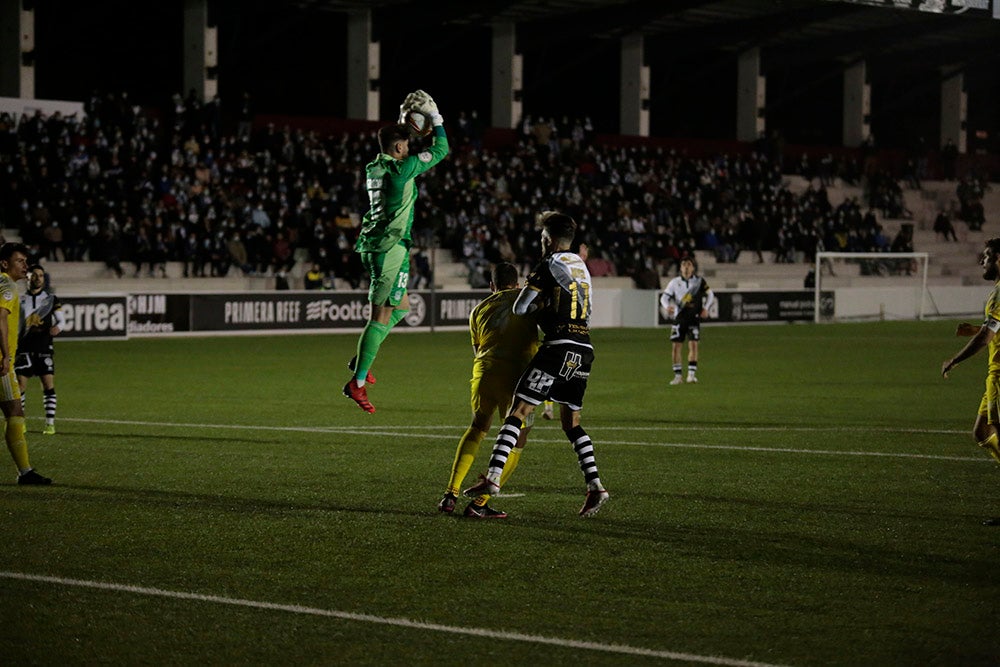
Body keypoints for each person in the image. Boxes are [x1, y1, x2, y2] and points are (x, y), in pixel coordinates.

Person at [463, 211, 610, 517]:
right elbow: (586, 309)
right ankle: (596, 487)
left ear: (549, 240)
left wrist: (541, 310)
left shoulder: (549, 264)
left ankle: (492, 479)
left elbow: (520, 307)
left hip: (557, 347)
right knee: (572, 423)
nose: (541, 242)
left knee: (518, 410)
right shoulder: (581, 267)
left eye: (543, 237)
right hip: (583, 348)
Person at [343, 90, 449, 413]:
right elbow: (442, 149)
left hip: (386, 245)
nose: (409, 150)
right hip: (387, 250)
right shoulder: (403, 170)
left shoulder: (374, 166)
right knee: (379, 317)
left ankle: (365, 356)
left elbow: (393, 143)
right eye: (406, 147)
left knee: (401, 306)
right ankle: (357, 383)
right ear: (399, 149)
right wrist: (437, 118)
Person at [439, 262, 539, 519]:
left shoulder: (477, 310)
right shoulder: (525, 298)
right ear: (516, 284)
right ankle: (479, 503)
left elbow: (477, 349)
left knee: (478, 427)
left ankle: (450, 493)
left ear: (491, 286)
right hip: (517, 376)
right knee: (517, 439)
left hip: (484, 372)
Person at [941, 237, 1000, 526]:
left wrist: (954, 359)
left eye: (987, 257)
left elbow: (987, 337)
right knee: (981, 432)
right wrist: (976, 329)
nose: (982, 261)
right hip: (995, 376)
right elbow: (990, 330)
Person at [0, 244, 51, 484]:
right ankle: (25, 472)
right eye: (20, 261)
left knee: (13, 410)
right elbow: (0, 317)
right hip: (1, 362)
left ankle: (26, 471)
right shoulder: (7, 285)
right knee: (14, 411)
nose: (25, 266)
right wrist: (6, 354)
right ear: (5, 264)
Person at [16, 264, 64, 435]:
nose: (37, 278)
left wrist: (58, 328)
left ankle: (50, 424)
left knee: (48, 385)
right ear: (27, 278)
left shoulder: (51, 299)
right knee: (20, 386)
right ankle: (20, 423)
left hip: (44, 347)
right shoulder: (19, 299)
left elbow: (62, 321)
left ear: (44, 279)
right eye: (34, 275)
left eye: (41, 275)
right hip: (23, 348)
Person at [660, 257, 715, 385]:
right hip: (679, 318)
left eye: (688, 264)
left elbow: (711, 295)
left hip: (693, 318)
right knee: (676, 347)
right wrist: (666, 306)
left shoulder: (699, 282)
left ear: (693, 268)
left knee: (694, 345)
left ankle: (691, 375)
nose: (686, 267)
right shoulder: (674, 282)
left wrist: (706, 308)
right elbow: (664, 297)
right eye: (683, 264)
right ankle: (678, 376)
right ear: (680, 268)